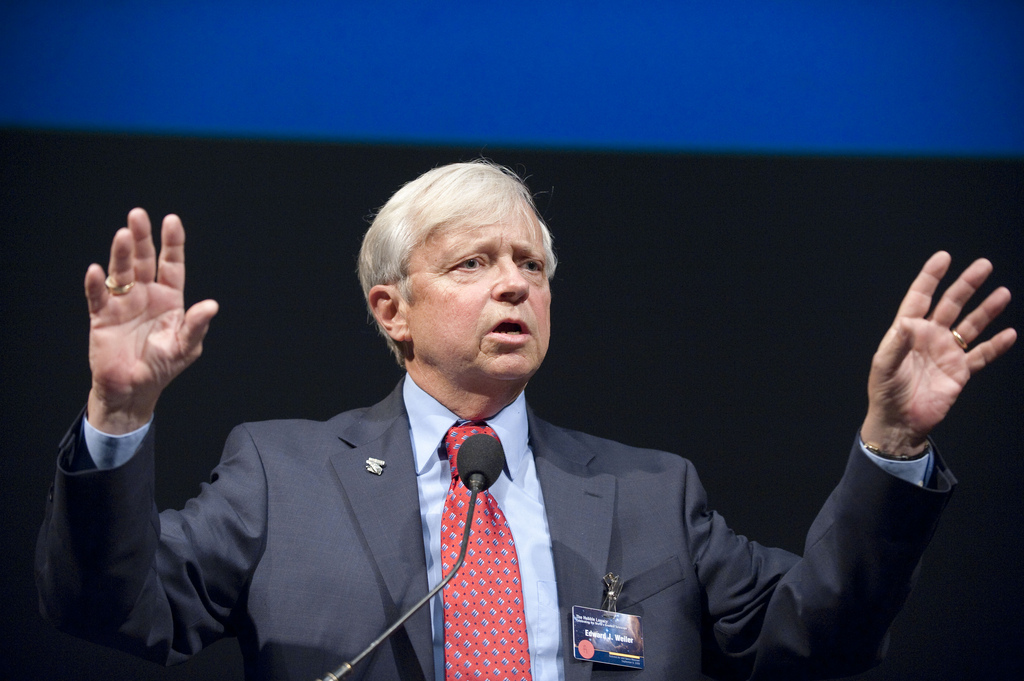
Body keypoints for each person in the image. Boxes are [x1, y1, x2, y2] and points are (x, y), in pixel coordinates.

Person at [37, 161, 1016, 681]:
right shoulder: (282, 474)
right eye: (472, 265)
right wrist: (118, 416)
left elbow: (823, 636)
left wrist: (892, 446)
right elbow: (110, 610)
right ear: (392, 312)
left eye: (530, 266)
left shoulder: (650, 493)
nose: (512, 283)